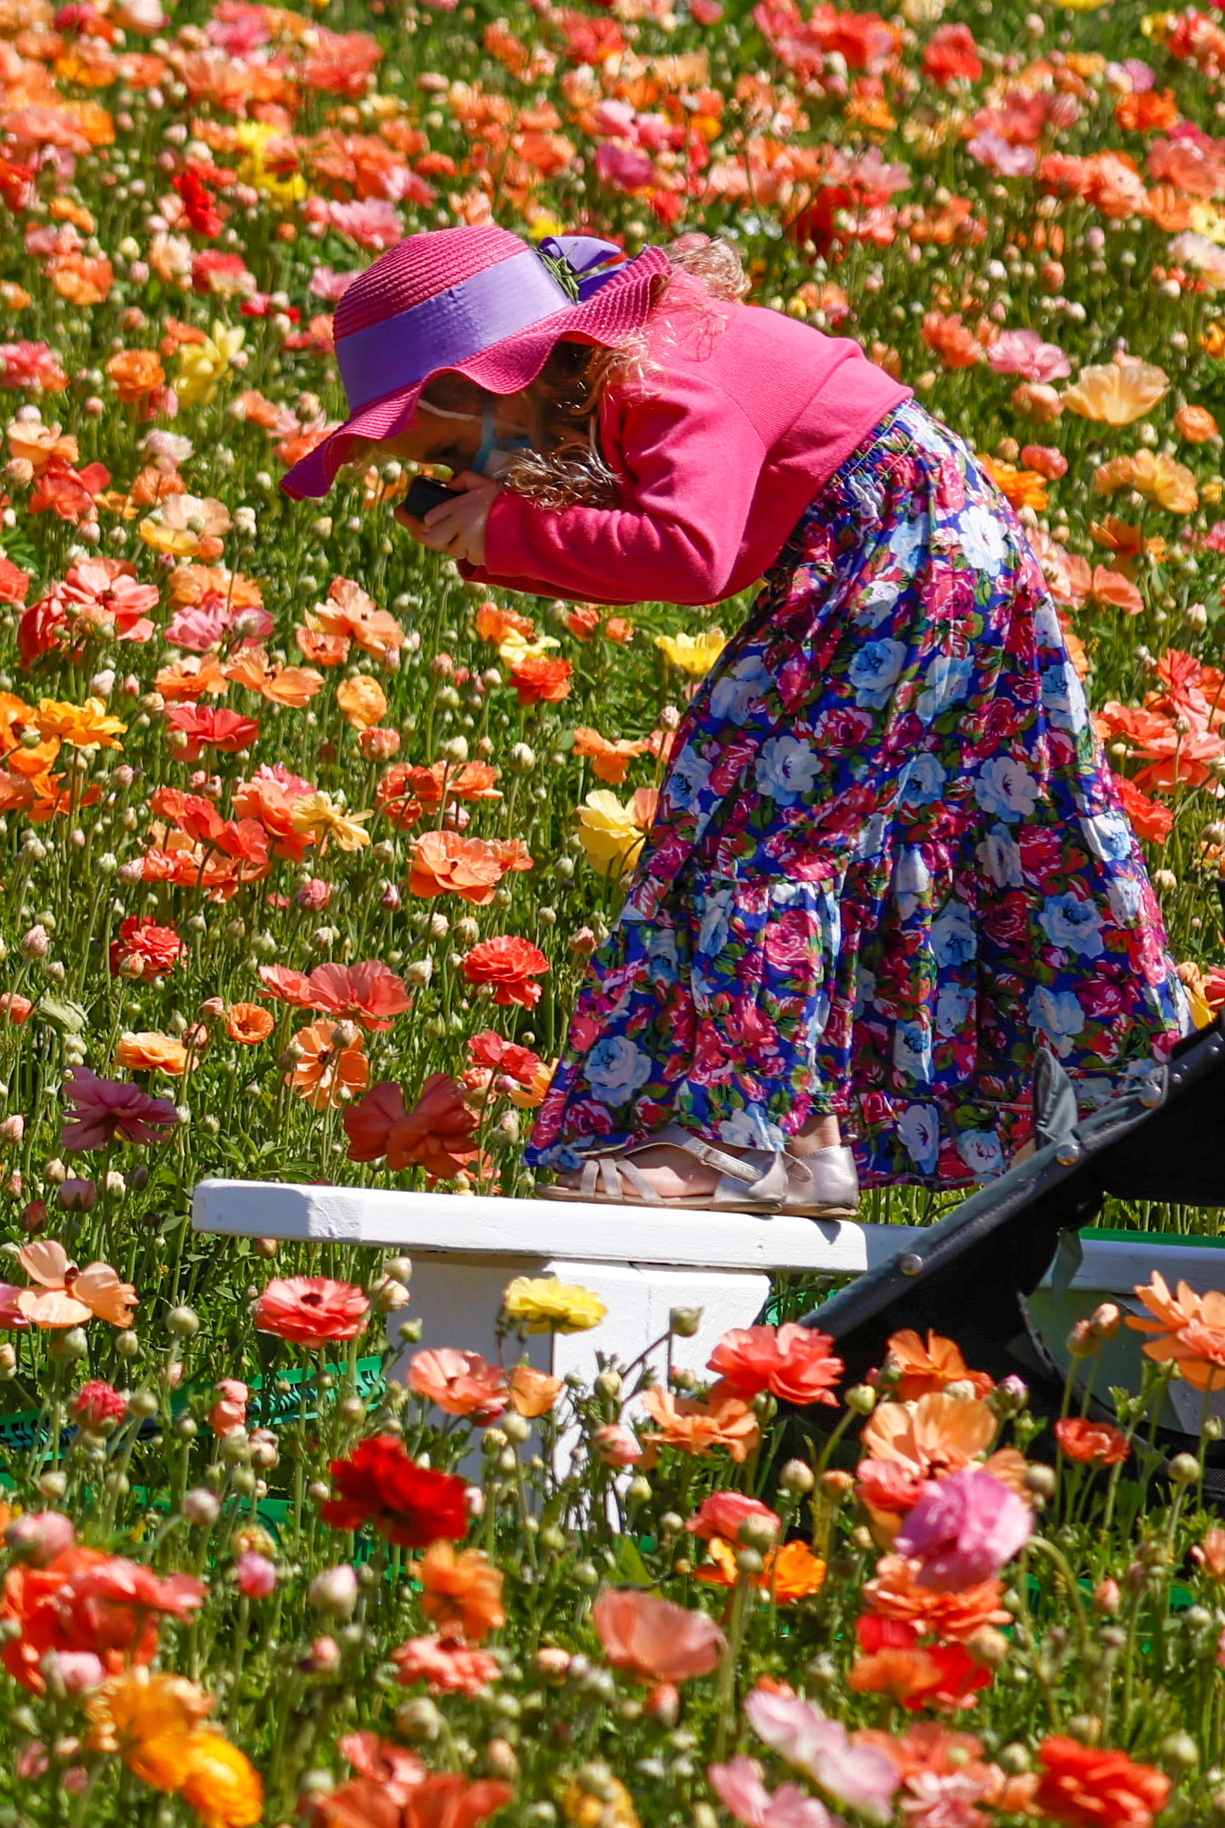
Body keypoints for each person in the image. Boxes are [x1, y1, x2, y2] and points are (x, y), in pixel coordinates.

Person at [289, 223, 1177, 1210]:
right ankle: (809, 1131)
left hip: (901, 546)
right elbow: (692, 558)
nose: (476, 471)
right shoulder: (635, 375)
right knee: (799, 819)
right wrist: (504, 542)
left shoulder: (666, 377)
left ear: (512, 374)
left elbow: (692, 553)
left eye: (457, 447)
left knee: (754, 828)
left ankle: (743, 1145)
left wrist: (510, 525)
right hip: (915, 544)